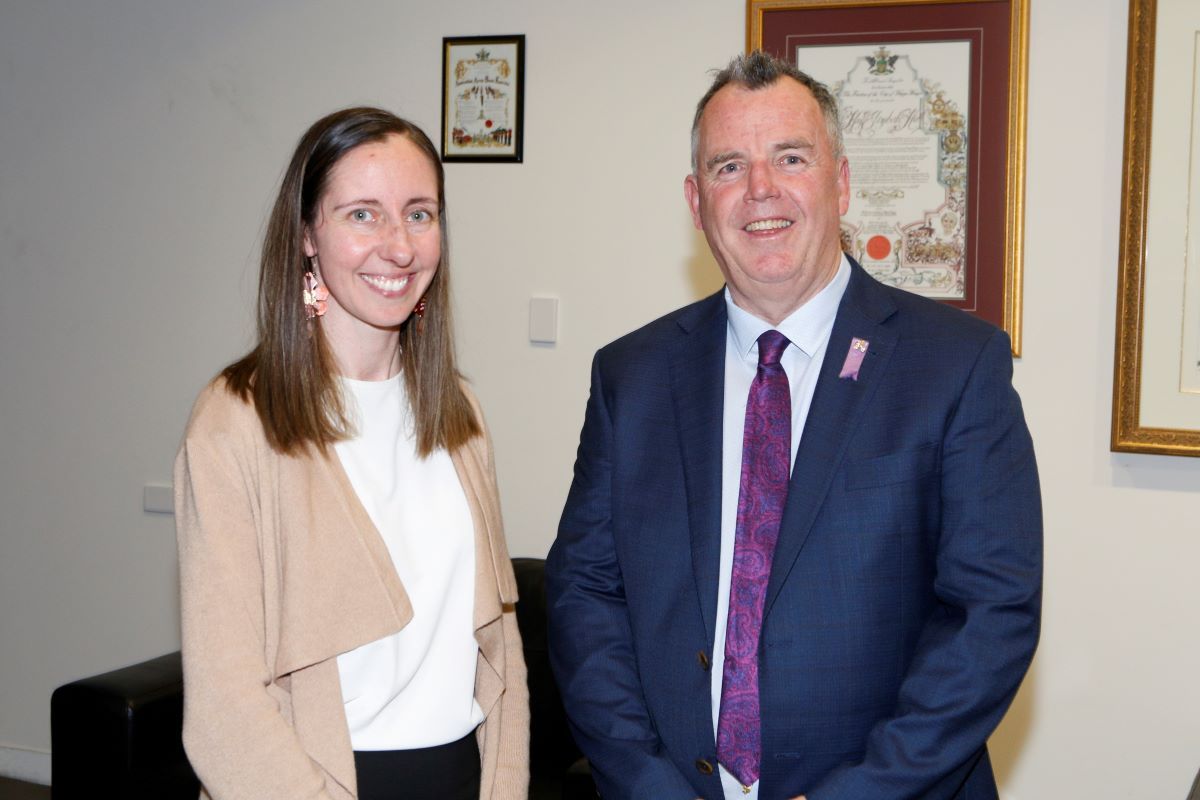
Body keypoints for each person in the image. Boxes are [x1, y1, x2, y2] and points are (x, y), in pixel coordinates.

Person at [545, 52, 1041, 800]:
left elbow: (989, 616)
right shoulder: (631, 377)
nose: (761, 192)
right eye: (728, 167)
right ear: (695, 199)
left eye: (791, 158)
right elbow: (585, 597)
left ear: (840, 182)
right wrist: (648, 782)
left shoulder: (954, 365)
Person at [174, 107, 528, 800]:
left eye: (420, 213)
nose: (398, 246)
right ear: (308, 234)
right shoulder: (236, 422)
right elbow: (223, 712)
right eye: (363, 214)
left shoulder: (461, 415)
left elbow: (500, 649)